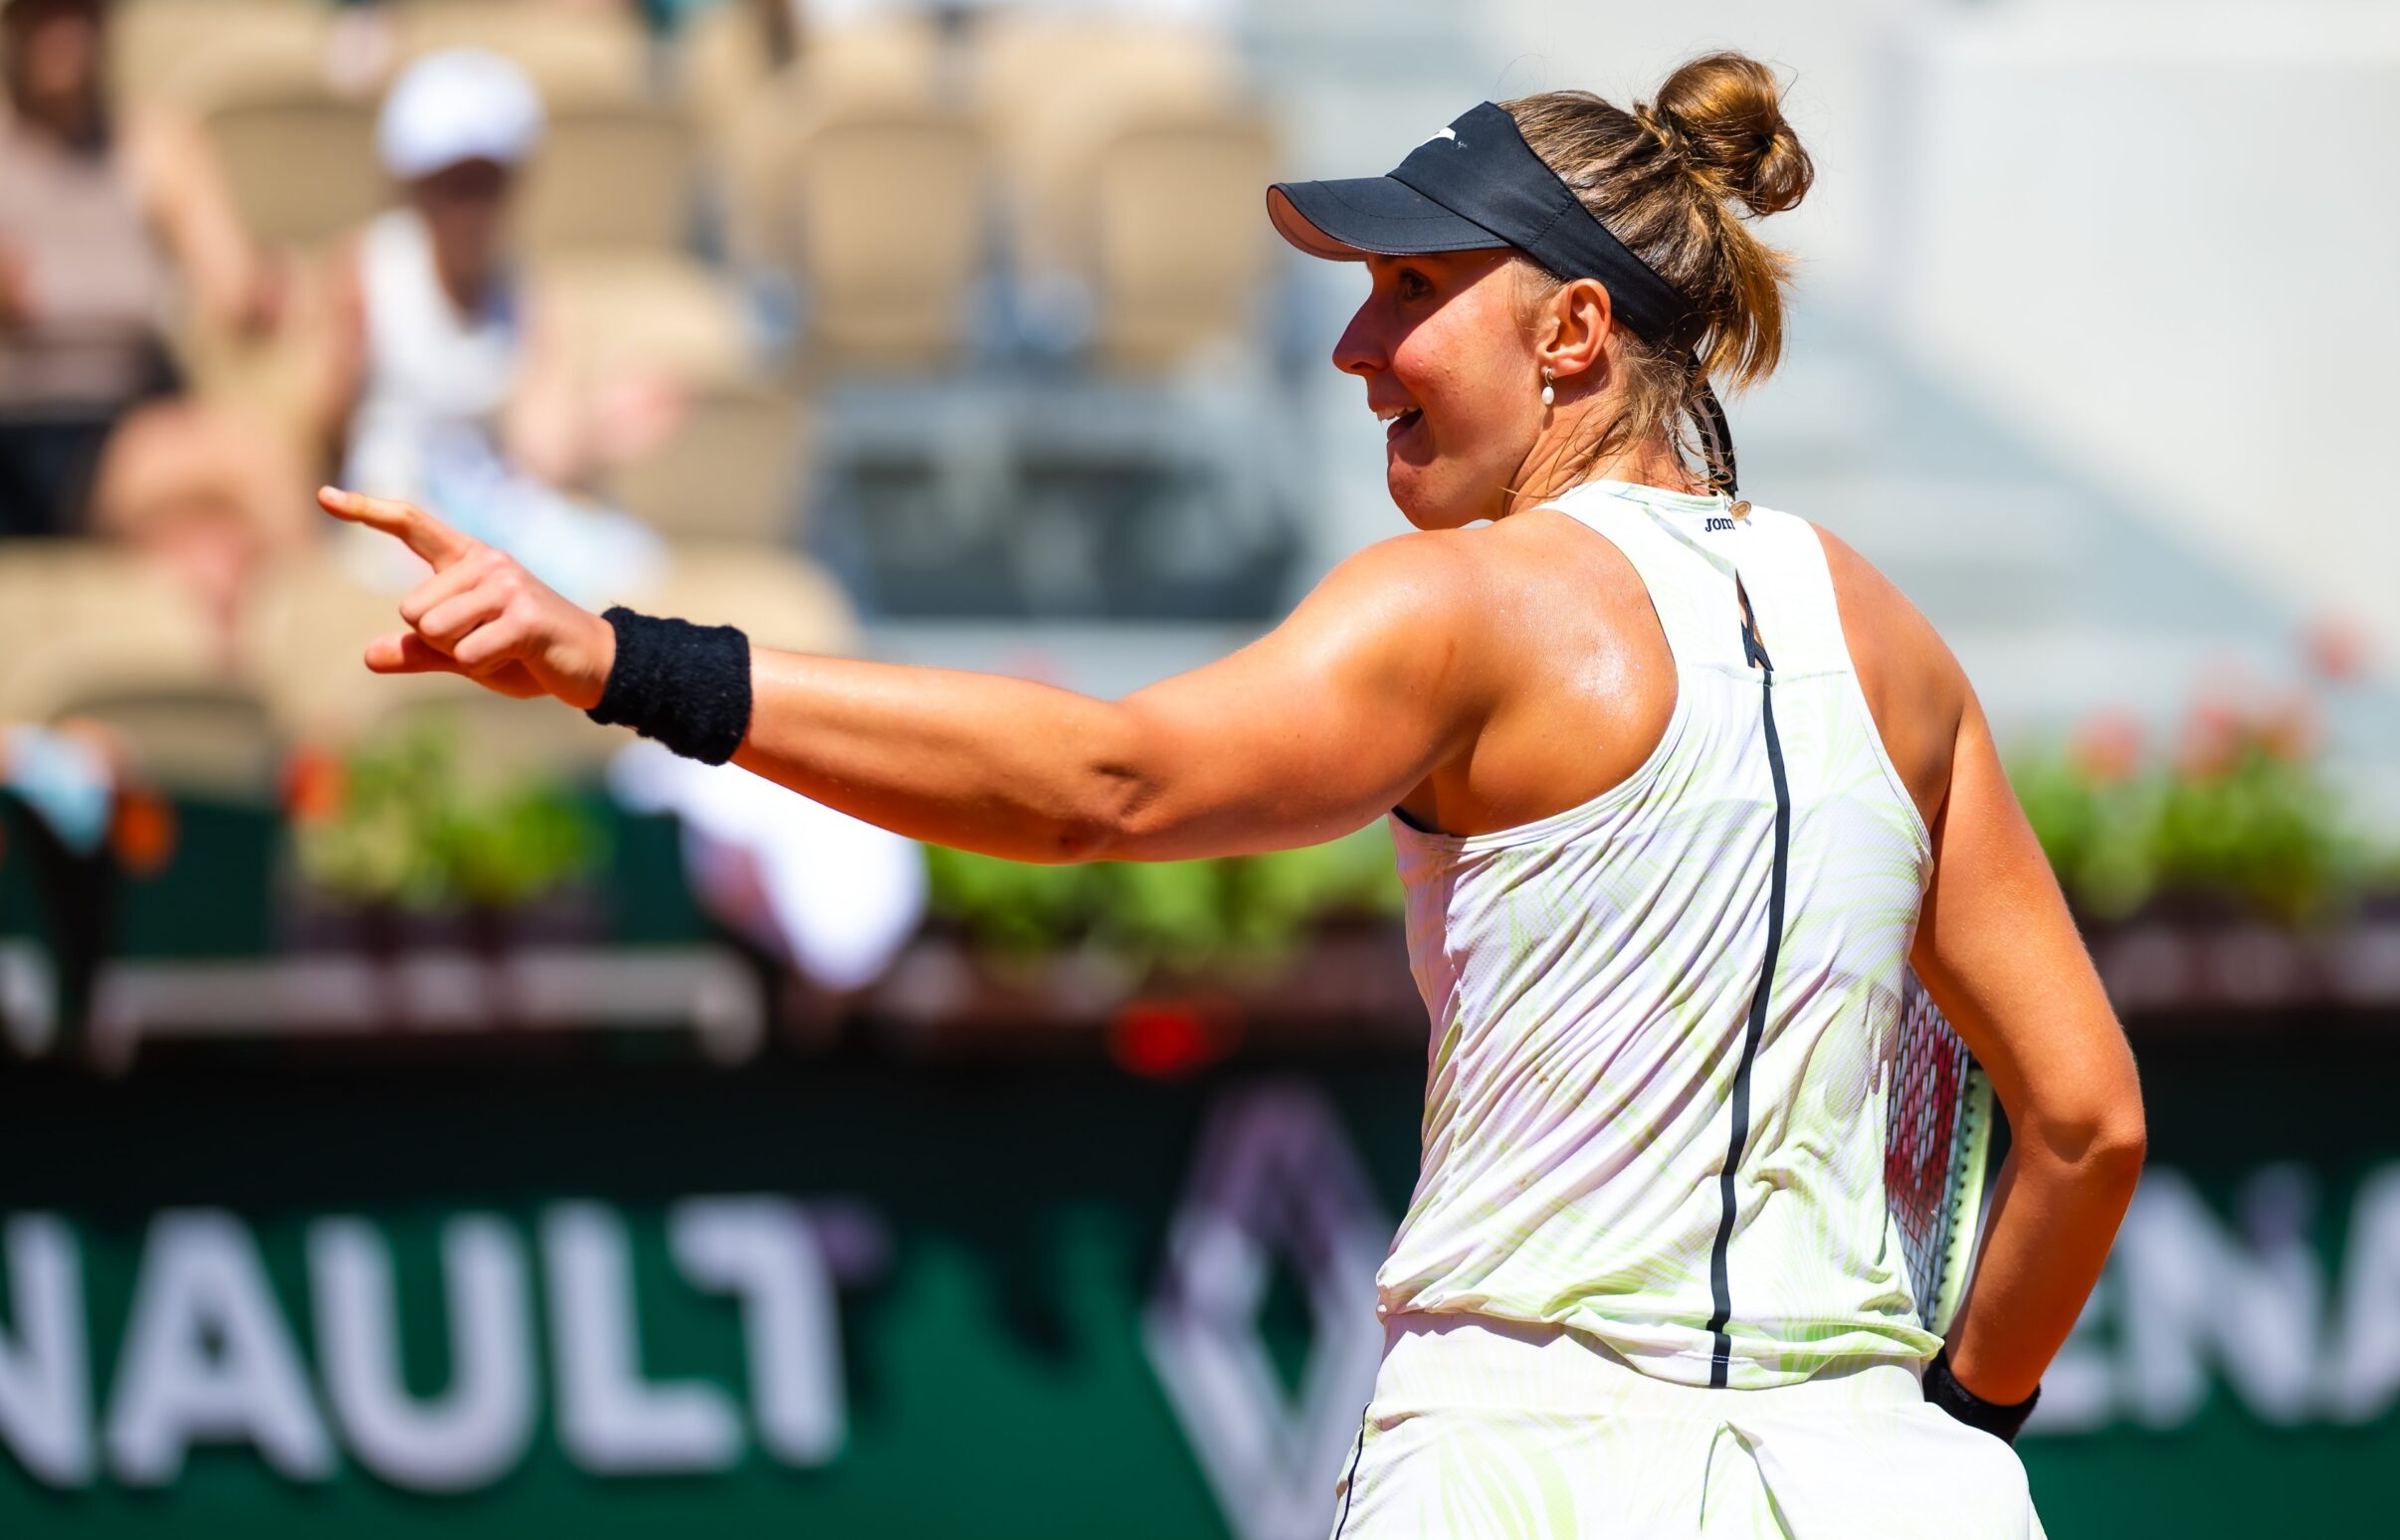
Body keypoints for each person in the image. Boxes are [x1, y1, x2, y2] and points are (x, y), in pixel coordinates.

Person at [318, 50, 2143, 1537]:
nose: (1355, 349)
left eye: (1413, 292)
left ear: (1573, 334)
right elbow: (2083, 1125)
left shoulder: (1468, 605)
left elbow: (1100, 786)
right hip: (1887, 1488)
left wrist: (622, 659)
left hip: (1531, 1469)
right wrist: (1958, 1425)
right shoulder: (1889, 636)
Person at [319, 48, 675, 602]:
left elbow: (540, 452)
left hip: (489, 508)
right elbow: (327, 433)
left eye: (488, 185)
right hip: (389, 510)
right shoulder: (366, 272)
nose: (472, 209)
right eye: (454, 185)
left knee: (632, 566)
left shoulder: (530, 293)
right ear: (415, 186)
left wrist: (598, 428)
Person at [0, 0, 278, 538]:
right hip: (19, 421)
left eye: (76, 13)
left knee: (226, 511)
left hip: (122, 424)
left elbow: (234, 286)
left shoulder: (152, 145)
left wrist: (262, 295)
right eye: (43, 15)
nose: (62, 33)